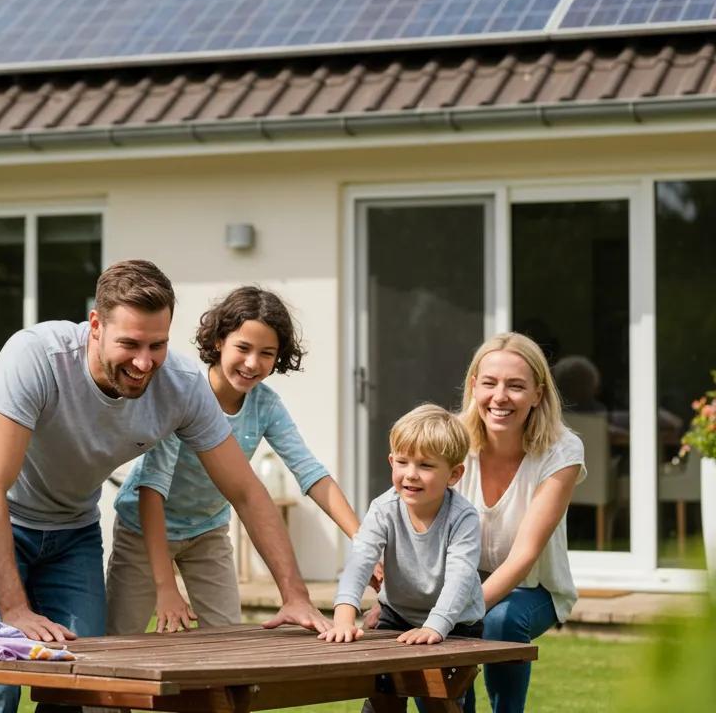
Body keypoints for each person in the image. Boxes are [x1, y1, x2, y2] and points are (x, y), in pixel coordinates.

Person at [0, 259, 331, 713]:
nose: (143, 362)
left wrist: (295, 595)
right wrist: (13, 610)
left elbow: (246, 491)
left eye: (158, 344)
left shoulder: (182, 387)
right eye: (129, 343)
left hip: (71, 531)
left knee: (83, 680)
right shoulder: (37, 357)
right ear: (95, 325)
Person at [107, 286, 362, 634]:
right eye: (243, 348)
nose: (252, 363)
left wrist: (362, 541)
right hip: (144, 531)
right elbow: (152, 488)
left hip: (206, 532)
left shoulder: (265, 406)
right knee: (121, 639)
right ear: (218, 342)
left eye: (267, 353)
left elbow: (311, 473)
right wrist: (166, 587)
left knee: (228, 641)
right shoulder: (184, 396)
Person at [454, 332, 585, 713]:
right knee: (421, 635)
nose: (500, 397)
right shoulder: (450, 437)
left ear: (538, 394)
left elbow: (524, 554)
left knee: (499, 622)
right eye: (490, 383)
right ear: (474, 385)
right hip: (461, 578)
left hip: (535, 587)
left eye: (516, 386)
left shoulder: (562, 449)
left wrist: (456, 610)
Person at [320, 403, 484, 646]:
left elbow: (459, 580)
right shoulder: (383, 509)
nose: (411, 474)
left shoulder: (463, 518)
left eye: (425, 465)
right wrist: (344, 619)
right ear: (391, 461)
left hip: (456, 621)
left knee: (449, 683)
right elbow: (360, 562)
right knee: (382, 678)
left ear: (454, 475)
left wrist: (434, 627)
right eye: (402, 462)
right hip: (397, 614)